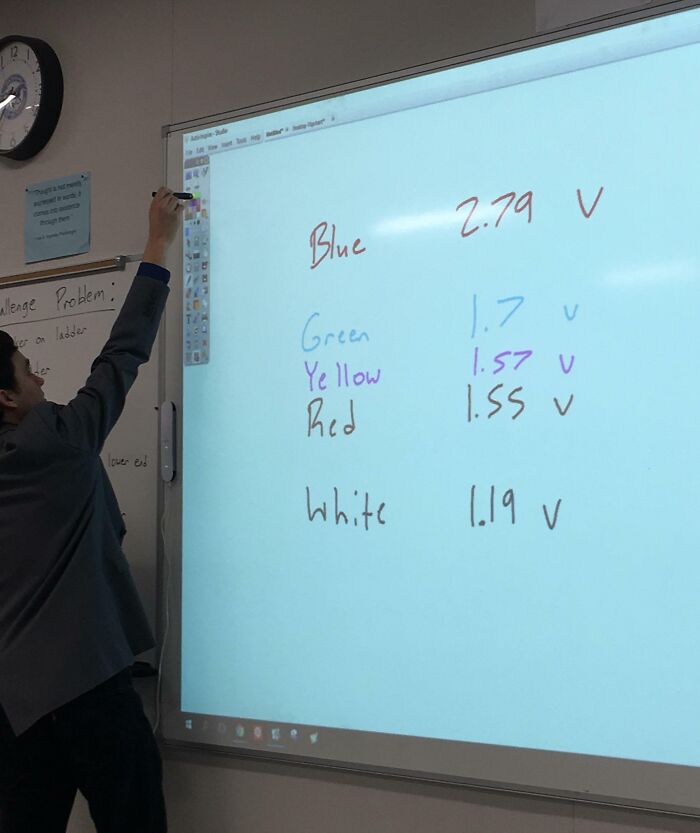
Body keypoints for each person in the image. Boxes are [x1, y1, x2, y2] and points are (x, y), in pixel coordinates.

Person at [0, 189, 183, 833]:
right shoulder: (56, 440)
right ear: (6, 397)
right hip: (89, 691)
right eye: (27, 371)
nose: (42, 380)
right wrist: (157, 244)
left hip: (16, 702)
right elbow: (122, 354)